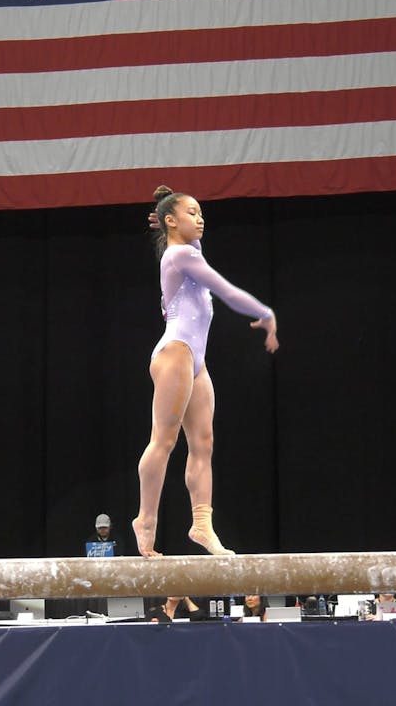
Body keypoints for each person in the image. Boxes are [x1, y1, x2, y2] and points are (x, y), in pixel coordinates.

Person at [132, 185, 279, 558]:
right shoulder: (180, 255)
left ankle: (201, 523)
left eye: (201, 213)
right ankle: (145, 519)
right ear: (171, 221)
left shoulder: (187, 250)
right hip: (176, 352)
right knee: (164, 441)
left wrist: (167, 220)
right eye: (192, 212)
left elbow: (190, 245)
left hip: (196, 360)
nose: (201, 218)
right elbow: (226, 290)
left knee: (204, 444)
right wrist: (265, 312)